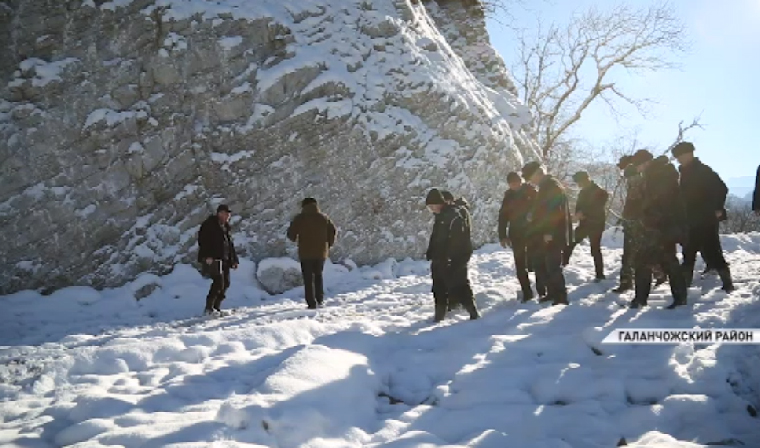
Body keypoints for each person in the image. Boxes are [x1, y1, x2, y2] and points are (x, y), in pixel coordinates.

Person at [629, 150, 688, 309]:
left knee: (644, 262)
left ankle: (641, 299)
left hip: (660, 226)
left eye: (638, 165)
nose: (637, 169)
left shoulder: (658, 175)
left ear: (645, 162)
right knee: (668, 261)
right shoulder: (657, 173)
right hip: (661, 225)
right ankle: (679, 298)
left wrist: (651, 219)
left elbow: (662, 202)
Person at [672, 142, 734, 292]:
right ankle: (683, 288)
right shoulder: (685, 172)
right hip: (691, 219)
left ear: (689, 154)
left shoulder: (702, 170)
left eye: (680, 156)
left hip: (705, 218)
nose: (679, 159)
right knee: (689, 252)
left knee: (712, 251)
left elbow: (722, 188)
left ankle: (728, 284)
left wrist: (718, 207)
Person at [425, 188, 480, 322]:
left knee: (459, 283)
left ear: (440, 203)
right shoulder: (440, 216)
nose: (432, 209)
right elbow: (436, 236)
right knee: (438, 286)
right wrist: (431, 251)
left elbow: (459, 239)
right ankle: (439, 315)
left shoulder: (454, 216)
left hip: (456, 257)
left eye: (433, 206)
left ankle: (472, 312)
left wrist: (451, 257)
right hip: (440, 257)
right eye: (429, 207)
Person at [522, 162, 571, 305]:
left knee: (553, 265)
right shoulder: (545, 187)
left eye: (530, 178)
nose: (530, 182)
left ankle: (561, 297)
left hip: (552, 234)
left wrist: (550, 231)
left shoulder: (551, 186)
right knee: (544, 265)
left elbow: (555, 211)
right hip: (545, 233)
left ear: (537, 173)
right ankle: (552, 293)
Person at [287, 198, 338, 309]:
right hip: (321, 253)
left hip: (305, 253)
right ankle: (320, 299)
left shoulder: (299, 218)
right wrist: (328, 245)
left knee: (308, 278)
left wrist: (296, 237)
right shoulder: (324, 218)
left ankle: (311, 303)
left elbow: (291, 235)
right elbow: (333, 232)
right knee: (318, 275)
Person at [498, 171, 539, 301]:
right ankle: (527, 292)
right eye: (511, 183)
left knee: (536, 262)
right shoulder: (508, 197)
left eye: (516, 182)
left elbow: (542, 208)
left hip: (533, 232)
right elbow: (503, 217)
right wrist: (502, 236)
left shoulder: (531, 192)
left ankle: (542, 288)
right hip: (516, 234)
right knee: (520, 264)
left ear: (520, 181)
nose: (514, 185)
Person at [565, 171, 609, 281]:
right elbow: (579, 207)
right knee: (571, 243)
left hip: (596, 224)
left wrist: (583, 213)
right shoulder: (582, 192)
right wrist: (577, 215)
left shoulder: (600, 192)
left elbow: (597, 207)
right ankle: (563, 265)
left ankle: (600, 274)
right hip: (584, 224)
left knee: (595, 249)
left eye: (579, 182)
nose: (578, 185)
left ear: (586, 179)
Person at [197, 204, 239, 315]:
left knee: (226, 283)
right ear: (219, 213)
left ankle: (216, 307)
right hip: (213, 259)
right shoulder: (209, 225)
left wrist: (234, 260)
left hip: (224, 259)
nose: (227, 216)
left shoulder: (225, 227)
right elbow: (203, 241)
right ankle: (209, 308)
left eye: (229, 215)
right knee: (218, 283)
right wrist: (207, 256)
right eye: (226, 214)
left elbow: (230, 245)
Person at [612, 156, 638, 293]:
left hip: (635, 222)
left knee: (630, 253)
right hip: (634, 220)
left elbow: (633, 201)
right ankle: (660, 273)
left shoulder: (633, 176)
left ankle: (626, 282)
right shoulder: (636, 176)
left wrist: (627, 216)